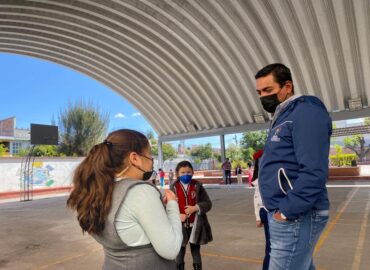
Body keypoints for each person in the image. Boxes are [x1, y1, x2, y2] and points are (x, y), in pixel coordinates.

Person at [67, 129, 183, 270]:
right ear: (134, 158)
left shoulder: (98, 192)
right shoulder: (140, 191)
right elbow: (171, 249)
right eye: (149, 155)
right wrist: (172, 205)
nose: (152, 162)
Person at [256, 63, 332, 270]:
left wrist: (287, 211)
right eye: (260, 92)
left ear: (287, 86)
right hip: (288, 213)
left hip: (298, 215)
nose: (263, 96)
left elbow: (314, 170)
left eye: (268, 90)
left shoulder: (306, 112)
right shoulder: (283, 117)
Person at [170, 161, 213, 270]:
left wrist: (196, 208)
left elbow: (208, 203)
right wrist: (177, 215)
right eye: (183, 172)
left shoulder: (197, 185)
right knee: (179, 254)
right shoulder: (173, 187)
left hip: (196, 226)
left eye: (189, 172)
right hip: (179, 227)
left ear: (193, 172)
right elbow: (168, 206)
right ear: (177, 174)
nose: (186, 175)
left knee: (196, 253)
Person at [252, 150, 270, 270]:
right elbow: (256, 198)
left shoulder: (261, 176)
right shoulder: (263, 178)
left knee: (271, 245)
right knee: (272, 246)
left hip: (266, 211)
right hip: (267, 211)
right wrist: (258, 217)